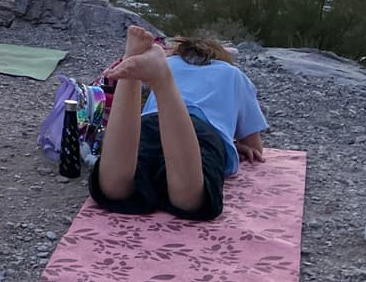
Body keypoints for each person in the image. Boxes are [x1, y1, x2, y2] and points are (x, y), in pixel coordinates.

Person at [90, 25, 268, 221]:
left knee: (114, 190)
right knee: (189, 200)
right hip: (200, 131)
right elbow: (255, 147)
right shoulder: (233, 74)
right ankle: (162, 81)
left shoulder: (171, 63)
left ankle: (130, 61)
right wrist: (238, 146)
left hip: (149, 123)